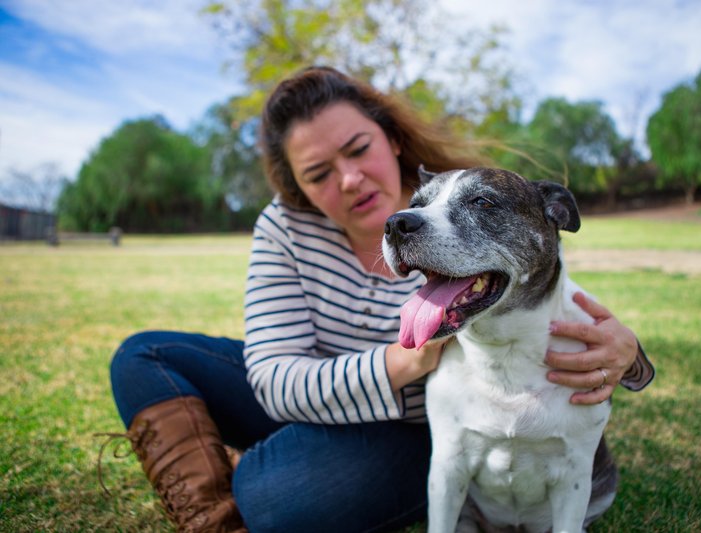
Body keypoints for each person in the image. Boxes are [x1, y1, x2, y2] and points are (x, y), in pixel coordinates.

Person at [106, 66, 654, 532]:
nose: (348, 180)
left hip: (404, 426)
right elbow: (273, 380)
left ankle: (264, 468)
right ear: (296, 186)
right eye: (318, 174)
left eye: (358, 148)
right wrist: (402, 360)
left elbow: (541, 279)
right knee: (144, 355)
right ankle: (213, 510)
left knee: (272, 498)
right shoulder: (286, 226)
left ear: (389, 137)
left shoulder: (464, 205)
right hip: (315, 387)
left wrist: (629, 352)